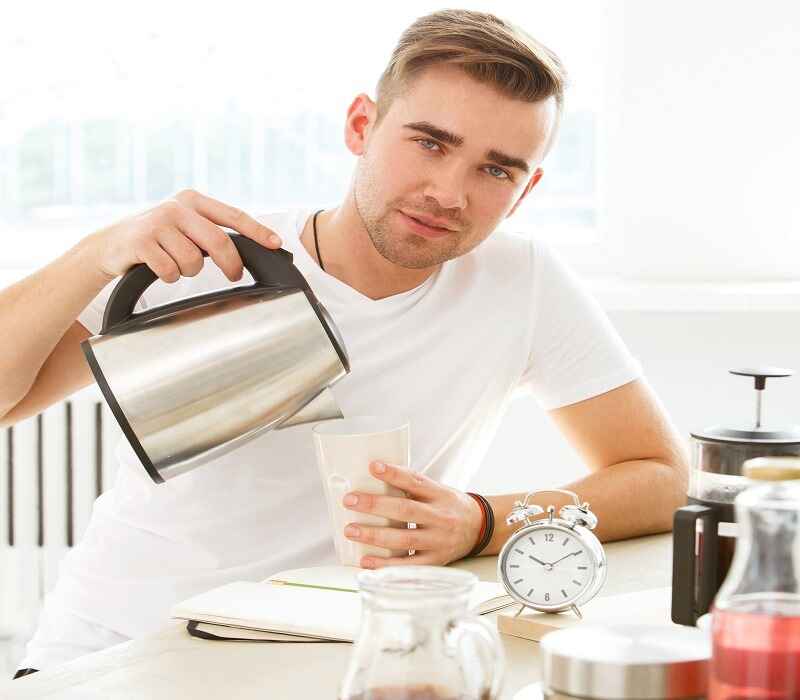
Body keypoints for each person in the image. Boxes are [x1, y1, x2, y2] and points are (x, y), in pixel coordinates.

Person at [1, 9, 688, 677]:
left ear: (526, 189)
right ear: (362, 125)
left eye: (496, 170)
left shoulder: (522, 282)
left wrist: (481, 522)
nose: (448, 192)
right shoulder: (206, 255)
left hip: (339, 664)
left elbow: (661, 476)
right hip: (118, 658)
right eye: (430, 142)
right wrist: (93, 254)